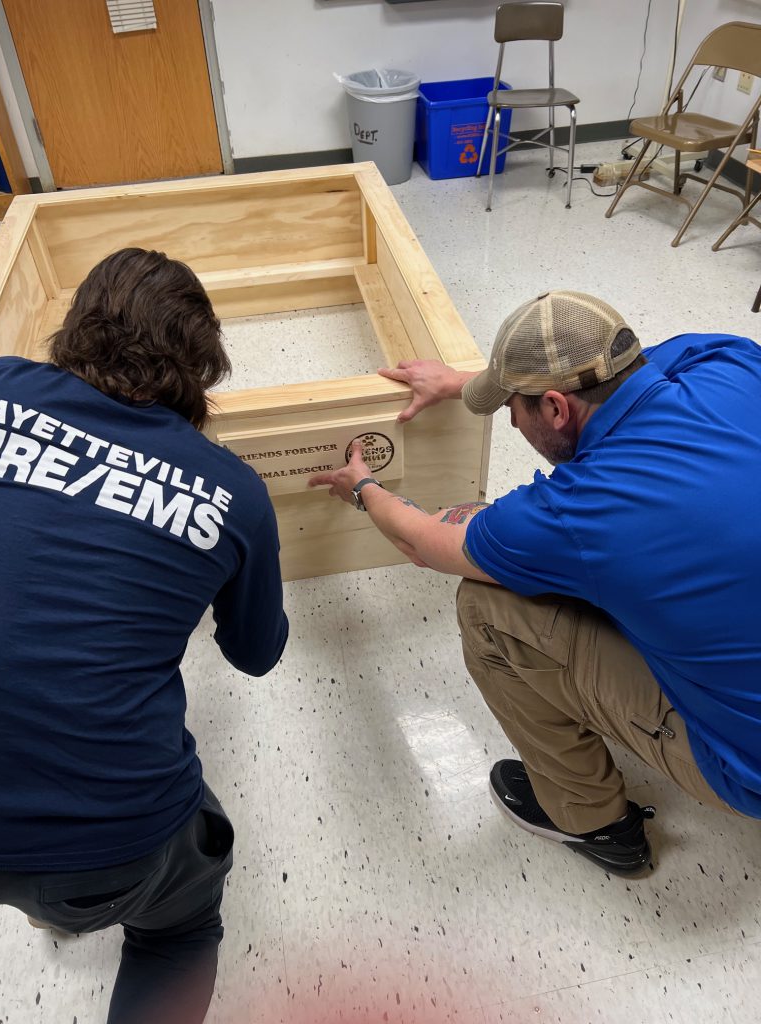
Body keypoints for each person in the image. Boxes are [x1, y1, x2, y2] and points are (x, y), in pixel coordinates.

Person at [310, 290, 761, 877]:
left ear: (554, 408)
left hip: (747, 769)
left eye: (512, 409)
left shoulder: (576, 514)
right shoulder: (728, 360)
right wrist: (466, 384)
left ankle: (592, 822)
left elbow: (422, 542)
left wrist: (365, 489)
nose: (511, 421)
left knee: (487, 605)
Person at [0, 248, 288, 1023]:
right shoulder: (229, 490)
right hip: (119, 836)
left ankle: (51, 905)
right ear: (204, 364)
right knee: (180, 928)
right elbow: (257, 655)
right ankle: (71, 900)